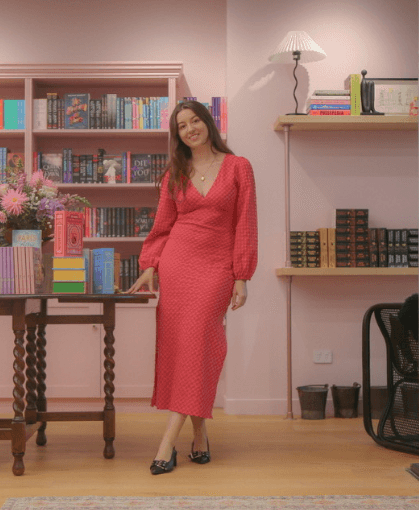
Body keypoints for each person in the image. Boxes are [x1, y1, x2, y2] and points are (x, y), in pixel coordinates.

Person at [126, 100, 258, 475]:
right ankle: (199, 434)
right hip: (177, 265)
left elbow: (245, 223)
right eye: (182, 126)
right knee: (183, 350)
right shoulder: (175, 174)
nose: (189, 129)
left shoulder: (238, 167)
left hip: (216, 267)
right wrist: (151, 263)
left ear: (208, 123)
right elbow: (163, 225)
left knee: (200, 345)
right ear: (177, 135)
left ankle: (167, 442)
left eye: (195, 121)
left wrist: (241, 276)